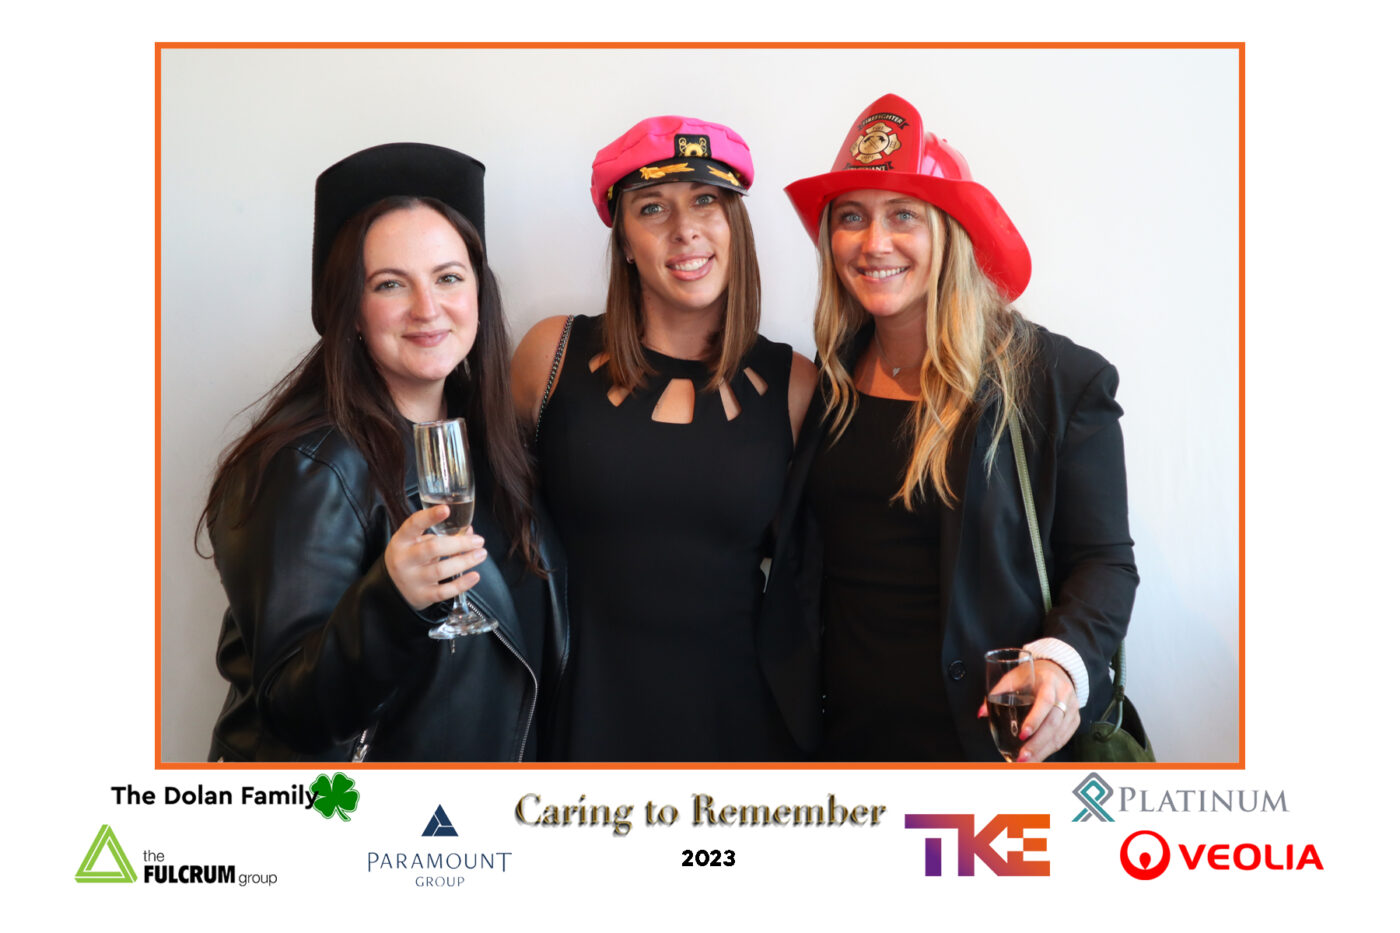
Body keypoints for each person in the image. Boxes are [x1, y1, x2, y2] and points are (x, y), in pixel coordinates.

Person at [771, 93, 1138, 762]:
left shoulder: (1058, 381)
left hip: (990, 752)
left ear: (950, 231)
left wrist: (1062, 663)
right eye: (851, 216)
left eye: (902, 214)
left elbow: (1104, 562)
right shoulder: (827, 382)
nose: (873, 242)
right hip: (844, 752)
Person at [204, 142, 567, 762]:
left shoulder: (488, 443)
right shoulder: (306, 465)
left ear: (478, 291)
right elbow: (293, 713)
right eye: (391, 284)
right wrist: (392, 600)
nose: (428, 309)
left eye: (448, 278)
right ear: (349, 310)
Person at [512, 116, 819, 761]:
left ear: (735, 225)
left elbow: (820, 581)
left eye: (706, 200)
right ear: (624, 241)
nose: (685, 229)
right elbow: (488, 524)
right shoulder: (550, 355)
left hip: (743, 735)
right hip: (579, 724)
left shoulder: (796, 385)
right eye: (652, 207)